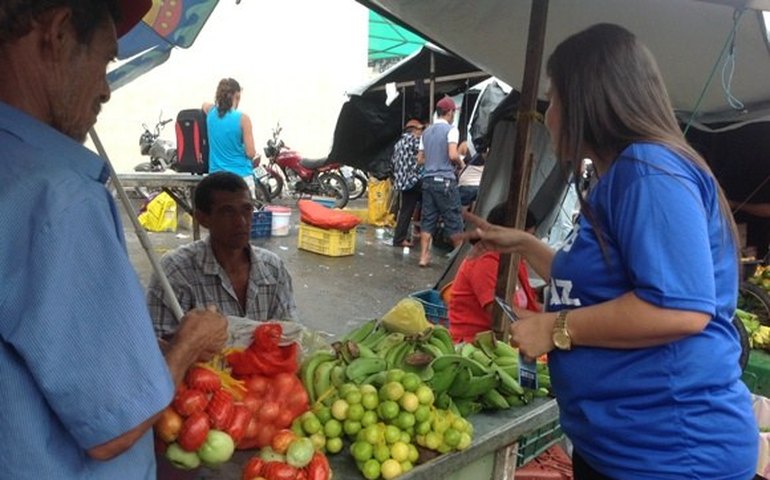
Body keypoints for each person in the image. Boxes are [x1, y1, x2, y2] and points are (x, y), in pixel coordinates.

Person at [462, 23, 757, 479]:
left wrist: (556, 328)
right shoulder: (623, 175)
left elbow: (679, 310)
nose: (549, 113)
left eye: (555, 98)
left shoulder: (649, 172)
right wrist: (521, 242)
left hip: (670, 455)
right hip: (625, 447)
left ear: (588, 101)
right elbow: (591, 283)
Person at [0, 2, 228, 479]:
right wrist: (188, 345)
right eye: (105, 61)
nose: (105, 89)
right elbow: (114, 429)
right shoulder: (55, 197)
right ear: (59, 33)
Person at [148, 172, 298, 340]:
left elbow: (288, 336)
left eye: (247, 210)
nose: (241, 222)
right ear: (202, 219)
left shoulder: (273, 268)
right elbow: (158, 349)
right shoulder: (175, 272)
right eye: (228, 212)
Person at [448, 205, 540, 343]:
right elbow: (500, 313)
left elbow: (527, 302)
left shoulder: (514, 259)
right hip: (473, 343)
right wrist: (548, 322)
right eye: (529, 237)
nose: (534, 243)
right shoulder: (484, 261)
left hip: (505, 339)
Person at [417, 96, 465, 266]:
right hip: (445, 181)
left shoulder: (426, 132)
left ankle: (423, 256)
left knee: (428, 219)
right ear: (450, 112)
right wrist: (460, 162)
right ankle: (460, 262)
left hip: (428, 180)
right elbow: (453, 154)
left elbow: (420, 159)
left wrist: (433, 160)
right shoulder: (452, 130)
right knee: (453, 219)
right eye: (453, 112)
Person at [202, 78, 260, 199]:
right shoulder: (243, 119)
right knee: (242, 216)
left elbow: (204, 105)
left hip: (216, 178)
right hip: (240, 177)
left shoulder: (211, 113)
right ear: (237, 96)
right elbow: (250, 153)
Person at [391, 118, 425, 247]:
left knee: (406, 210)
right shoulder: (414, 141)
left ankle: (399, 238)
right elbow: (424, 155)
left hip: (402, 182)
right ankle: (421, 232)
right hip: (413, 180)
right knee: (431, 201)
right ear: (414, 130)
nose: (422, 132)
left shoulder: (398, 144)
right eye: (421, 129)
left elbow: (393, 162)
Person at [457, 140, 488, 210]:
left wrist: (462, 166)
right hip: (479, 184)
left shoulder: (465, 145)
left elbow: (457, 162)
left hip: (466, 183)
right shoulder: (490, 148)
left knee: (459, 214)